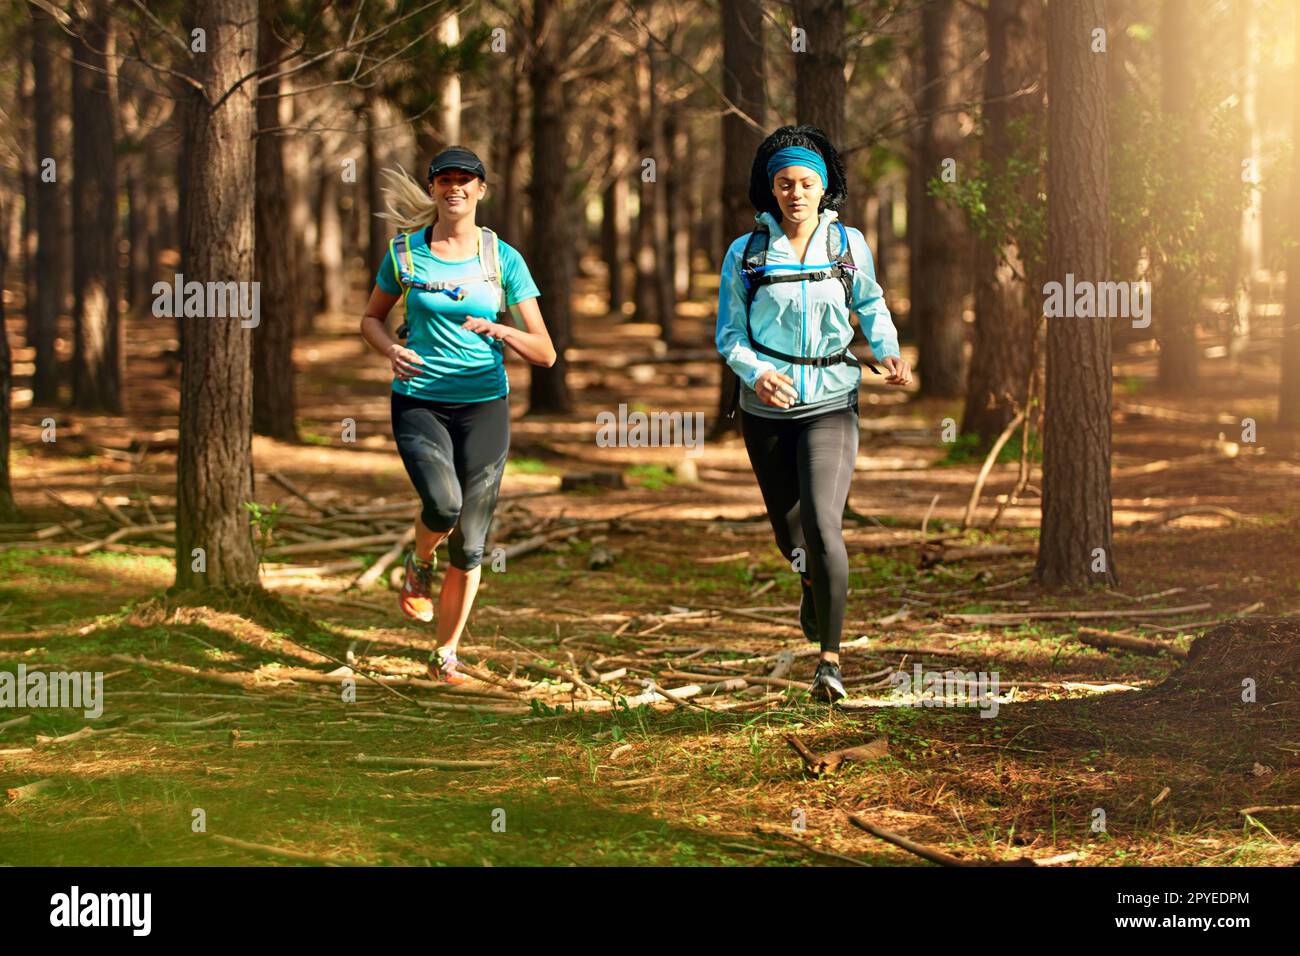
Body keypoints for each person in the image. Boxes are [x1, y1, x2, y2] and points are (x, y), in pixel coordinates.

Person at [715, 125, 913, 702]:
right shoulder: (746, 252)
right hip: (765, 408)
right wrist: (758, 373)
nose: (796, 193)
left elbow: (870, 304)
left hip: (831, 399)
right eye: (785, 184)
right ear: (771, 190)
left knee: (825, 524)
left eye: (806, 183)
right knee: (790, 529)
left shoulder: (847, 245)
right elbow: (729, 334)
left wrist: (889, 350)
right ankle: (810, 580)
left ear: (823, 188)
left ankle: (829, 661)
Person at [360, 146, 556, 683]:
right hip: (420, 399)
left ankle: (445, 654)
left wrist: (501, 329)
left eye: (465, 180)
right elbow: (372, 320)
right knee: (443, 506)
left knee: (472, 541)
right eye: (444, 179)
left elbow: (545, 352)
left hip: (485, 404)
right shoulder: (404, 254)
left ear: (481, 190)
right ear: (432, 189)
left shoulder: (502, 260)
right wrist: (390, 351)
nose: (455, 188)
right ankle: (420, 563)